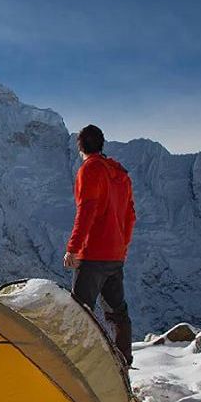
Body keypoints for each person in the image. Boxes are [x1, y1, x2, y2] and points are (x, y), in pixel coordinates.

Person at [63, 125, 136, 366]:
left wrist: (73, 248)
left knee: (80, 312)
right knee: (117, 312)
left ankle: (80, 364)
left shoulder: (91, 169)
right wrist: (122, 247)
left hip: (93, 254)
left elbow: (87, 211)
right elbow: (130, 216)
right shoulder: (121, 175)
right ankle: (123, 361)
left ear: (80, 146)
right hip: (115, 256)